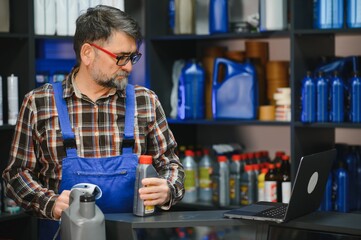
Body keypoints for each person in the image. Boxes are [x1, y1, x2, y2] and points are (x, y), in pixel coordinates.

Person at [2, 5, 184, 239]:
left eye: (132, 57)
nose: (128, 66)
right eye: (120, 57)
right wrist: (50, 203)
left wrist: (167, 188)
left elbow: (171, 164)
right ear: (88, 53)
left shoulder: (145, 101)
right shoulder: (39, 103)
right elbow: (16, 175)